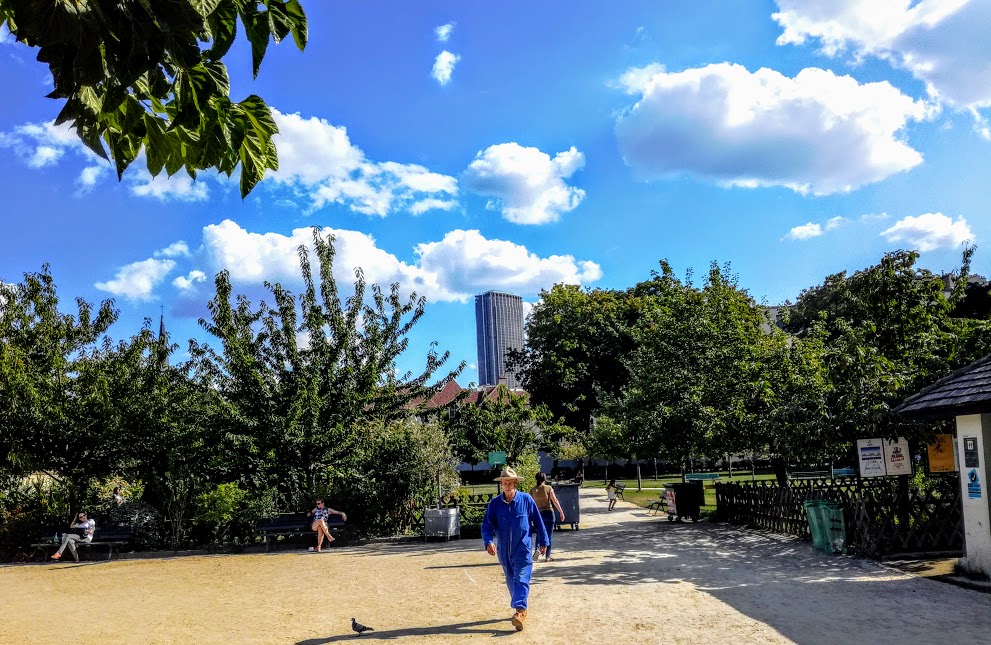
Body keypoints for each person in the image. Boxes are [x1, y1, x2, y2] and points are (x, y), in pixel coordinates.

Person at [482, 466, 549, 632]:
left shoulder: (526, 500)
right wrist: (488, 541)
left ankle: (519, 611)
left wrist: (543, 541)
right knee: (511, 580)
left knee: (521, 578)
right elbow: (486, 525)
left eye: (510, 482)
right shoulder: (495, 504)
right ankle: (521, 609)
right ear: (502, 484)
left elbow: (539, 522)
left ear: (515, 484)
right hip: (504, 551)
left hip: (523, 549)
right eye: (505, 482)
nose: (507, 485)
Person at [529, 472, 565, 562]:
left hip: (538, 514)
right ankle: (547, 556)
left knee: (539, 533)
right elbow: (555, 500)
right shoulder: (548, 488)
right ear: (545, 479)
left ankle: (537, 548)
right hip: (549, 512)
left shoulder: (533, 490)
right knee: (549, 535)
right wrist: (561, 512)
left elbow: (530, 504)